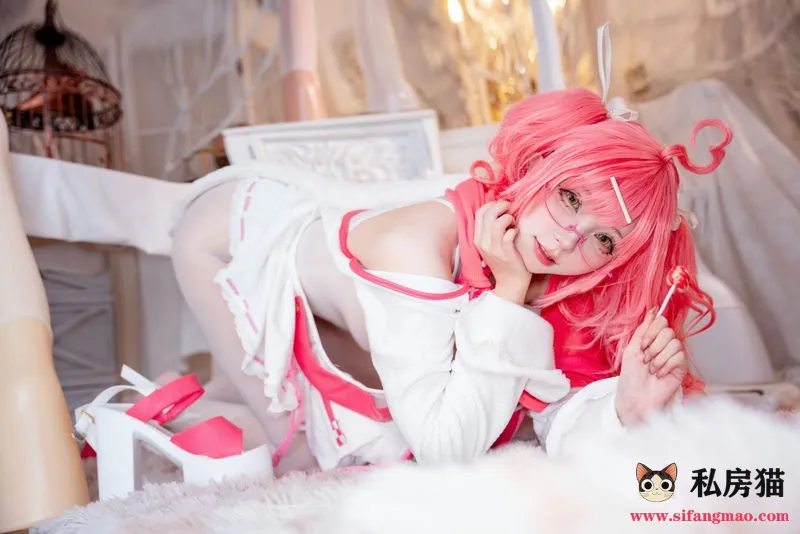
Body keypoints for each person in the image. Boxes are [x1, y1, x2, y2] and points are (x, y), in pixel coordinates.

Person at [165, 84, 731, 475]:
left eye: (604, 239)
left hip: (342, 304)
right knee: (300, 457)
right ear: (541, 167)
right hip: (225, 239)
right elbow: (444, 450)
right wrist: (507, 295)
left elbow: (558, 412)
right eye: (570, 198)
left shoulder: (565, 275)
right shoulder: (416, 248)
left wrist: (625, 412)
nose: (567, 241)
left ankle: (204, 393)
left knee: (364, 417)